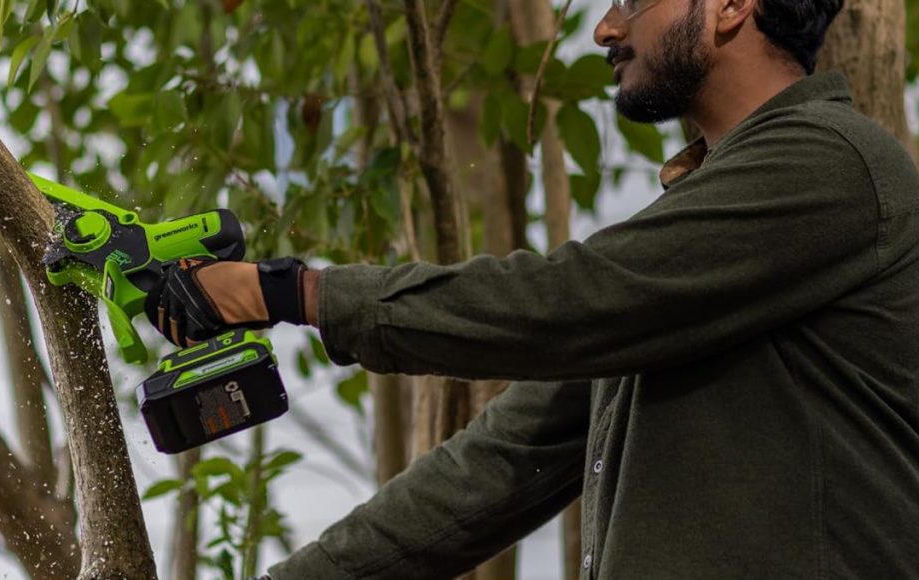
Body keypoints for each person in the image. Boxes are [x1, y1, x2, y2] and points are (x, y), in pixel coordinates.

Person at [145, 0, 919, 577]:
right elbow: (497, 464)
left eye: (630, 0)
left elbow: (570, 299)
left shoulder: (834, 162)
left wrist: (286, 292)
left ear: (728, 6)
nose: (606, 29)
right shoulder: (694, 259)